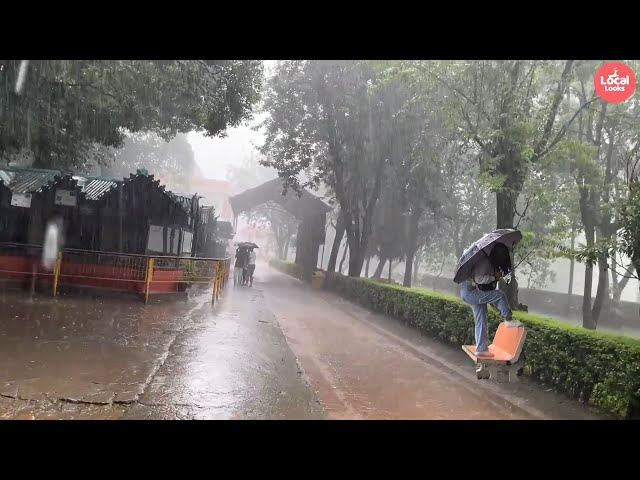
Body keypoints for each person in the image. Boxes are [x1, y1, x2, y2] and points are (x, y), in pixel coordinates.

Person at [460, 243, 522, 358]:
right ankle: (508, 319)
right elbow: (480, 279)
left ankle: (481, 348)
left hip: (472, 291)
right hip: (471, 292)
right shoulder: (484, 261)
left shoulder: (489, 261)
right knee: (499, 295)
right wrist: (495, 277)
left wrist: (497, 275)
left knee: (481, 318)